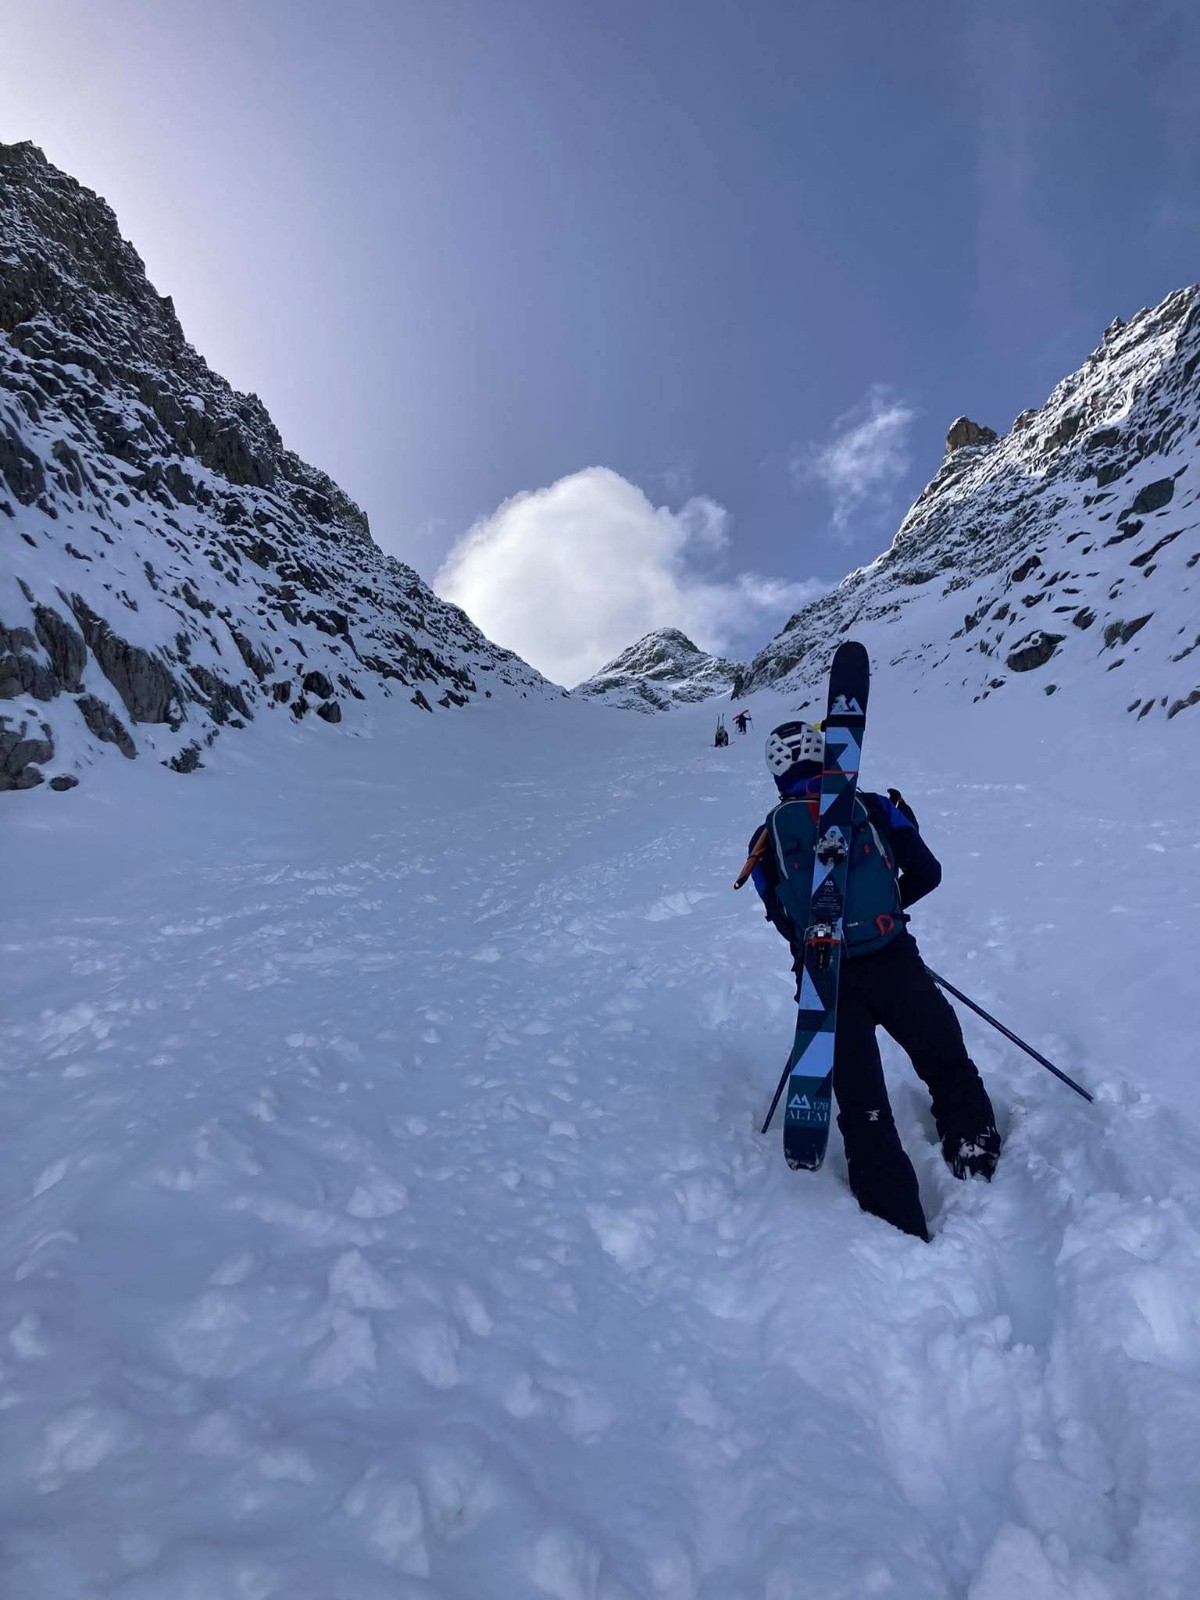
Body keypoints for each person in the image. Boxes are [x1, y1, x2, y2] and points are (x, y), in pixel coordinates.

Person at [740, 720, 1001, 1241]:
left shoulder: (767, 838)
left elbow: (784, 920)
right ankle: (974, 1150)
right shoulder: (875, 806)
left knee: (864, 1106)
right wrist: (885, 913)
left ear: (775, 773)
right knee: (944, 1058)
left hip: (826, 981)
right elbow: (927, 872)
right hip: (893, 958)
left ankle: (894, 1216)